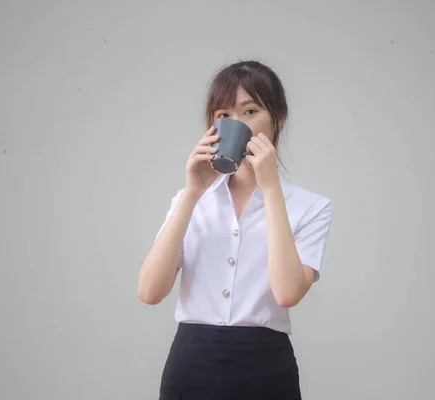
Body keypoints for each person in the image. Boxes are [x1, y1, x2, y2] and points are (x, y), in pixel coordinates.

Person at [137, 60, 333, 400]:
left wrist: (270, 189)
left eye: (250, 110)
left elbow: (287, 293)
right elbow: (149, 292)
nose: (235, 124)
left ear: (278, 118)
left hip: (266, 367)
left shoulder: (310, 207)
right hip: (191, 364)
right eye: (223, 115)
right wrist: (192, 193)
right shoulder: (190, 200)